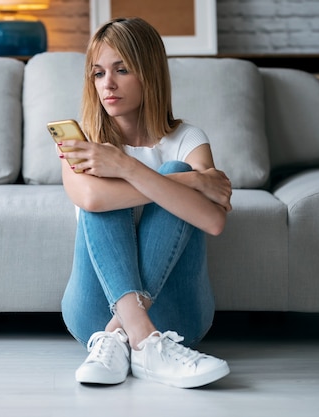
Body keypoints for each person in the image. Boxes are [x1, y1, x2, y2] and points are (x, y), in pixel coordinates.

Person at [57, 17, 233, 388]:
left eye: (122, 70)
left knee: (172, 166)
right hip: (93, 314)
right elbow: (90, 198)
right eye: (98, 73)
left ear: (149, 73)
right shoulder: (81, 142)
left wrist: (125, 166)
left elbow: (213, 221)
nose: (108, 83)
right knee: (107, 195)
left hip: (178, 317)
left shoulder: (189, 138)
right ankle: (142, 339)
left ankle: (125, 337)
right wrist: (191, 181)